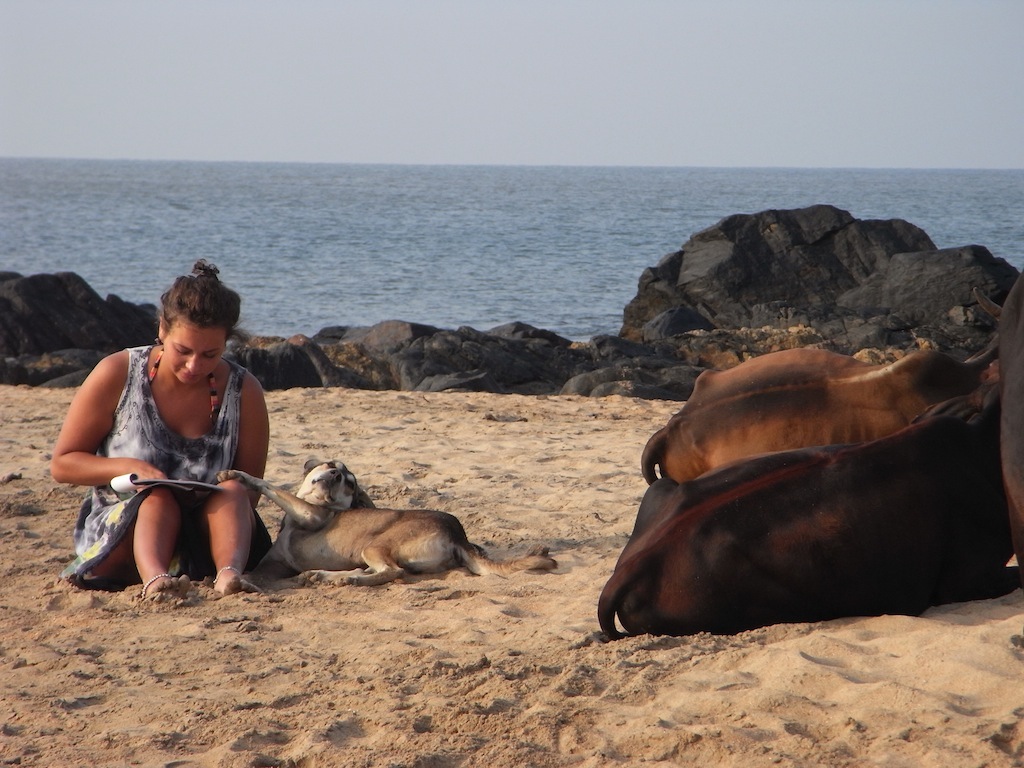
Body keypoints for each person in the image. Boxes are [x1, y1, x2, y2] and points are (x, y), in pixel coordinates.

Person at [52, 260, 272, 600]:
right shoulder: (118, 373)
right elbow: (63, 464)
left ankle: (229, 575)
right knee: (157, 497)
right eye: (183, 351)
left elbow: (251, 491)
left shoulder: (245, 390)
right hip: (125, 529)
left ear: (227, 344)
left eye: (210, 354)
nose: (194, 366)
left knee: (233, 489)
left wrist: (199, 496)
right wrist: (128, 467)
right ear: (163, 330)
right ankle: (156, 581)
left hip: (209, 536)